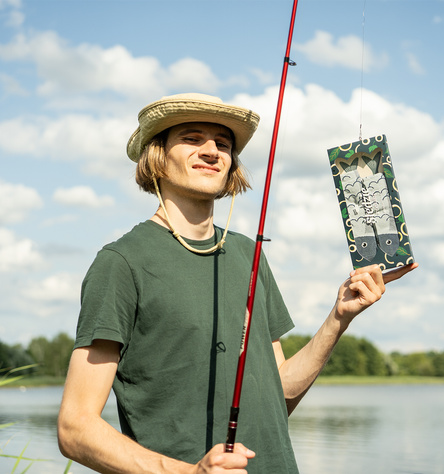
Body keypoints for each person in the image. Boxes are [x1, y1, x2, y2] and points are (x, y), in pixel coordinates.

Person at [57, 93, 417, 473]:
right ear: (157, 156)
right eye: (192, 138)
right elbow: (75, 428)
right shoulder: (122, 262)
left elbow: (278, 394)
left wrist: (339, 317)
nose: (212, 150)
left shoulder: (250, 254)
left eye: (223, 143)